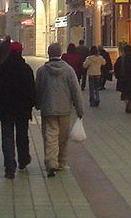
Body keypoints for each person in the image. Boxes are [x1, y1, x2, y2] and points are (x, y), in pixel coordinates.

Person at [35, 43, 84, 177]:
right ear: (60, 53)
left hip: (48, 108)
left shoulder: (42, 71)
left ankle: (51, 163)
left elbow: (38, 89)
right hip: (64, 109)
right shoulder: (68, 70)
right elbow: (75, 90)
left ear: (49, 53)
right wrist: (80, 109)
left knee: (50, 137)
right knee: (62, 138)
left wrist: (38, 104)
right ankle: (61, 163)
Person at [0, 41, 36, 179]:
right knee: (22, 135)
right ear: (21, 51)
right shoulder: (26, 68)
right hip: (22, 109)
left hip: (6, 108)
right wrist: (31, 104)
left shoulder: (3, 68)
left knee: (7, 137)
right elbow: (32, 89)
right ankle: (23, 160)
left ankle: (9, 167)